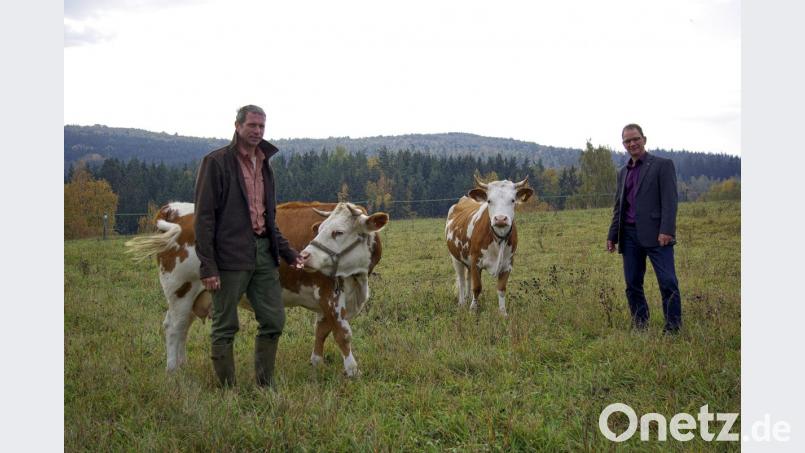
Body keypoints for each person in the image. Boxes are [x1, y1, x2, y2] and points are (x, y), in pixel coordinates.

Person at [194, 105, 304, 388]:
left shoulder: (265, 164)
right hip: (229, 256)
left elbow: (267, 218)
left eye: (261, 126)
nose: (257, 131)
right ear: (237, 126)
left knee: (274, 319)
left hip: (264, 254)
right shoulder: (216, 162)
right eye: (252, 125)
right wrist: (208, 266)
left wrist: (289, 253)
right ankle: (227, 389)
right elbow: (204, 218)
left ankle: (265, 384)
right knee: (225, 324)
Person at [607, 123, 681, 333]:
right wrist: (612, 235)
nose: (632, 143)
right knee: (632, 283)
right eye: (627, 141)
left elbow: (670, 201)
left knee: (667, 282)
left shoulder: (662, 165)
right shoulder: (622, 172)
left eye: (635, 139)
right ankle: (640, 325)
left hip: (658, 235)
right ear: (623, 144)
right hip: (629, 236)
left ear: (644, 139)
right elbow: (619, 206)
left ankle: (673, 327)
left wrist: (667, 230)